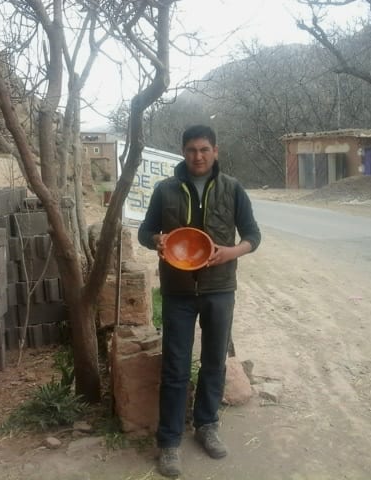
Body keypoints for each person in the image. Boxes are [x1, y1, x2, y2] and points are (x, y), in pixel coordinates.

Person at [138, 125, 261, 478]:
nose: (198, 156)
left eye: (204, 149)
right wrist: (157, 241)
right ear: (183, 152)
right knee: (175, 367)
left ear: (216, 151)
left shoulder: (232, 189)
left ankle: (207, 426)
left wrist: (231, 252)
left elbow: (253, 234)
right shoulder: (165, 190)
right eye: (191, 150)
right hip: (177, 291)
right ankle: (170, 442)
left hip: (220, 288)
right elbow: (146, 231)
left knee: (213, 362)